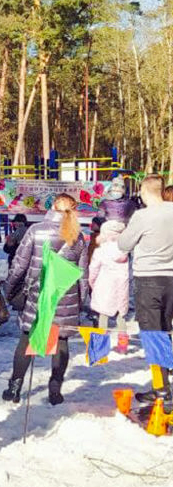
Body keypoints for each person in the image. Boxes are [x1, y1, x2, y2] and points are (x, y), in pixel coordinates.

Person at [3, 193, 88, 406]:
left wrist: (9, 288)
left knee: (28, 338)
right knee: (61, 341)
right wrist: (80, 300)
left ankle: (15, 386)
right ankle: (55, 388)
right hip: (65, 295)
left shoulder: (36, 230)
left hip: (37, 293)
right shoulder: (77, 236)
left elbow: (19, 265)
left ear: (52, 207)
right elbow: (83, 274)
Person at [118, 174, 173, 406]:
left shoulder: (142, 216)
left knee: (153, 334)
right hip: (171, 278)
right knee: (166, 331)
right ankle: (162, 385)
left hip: (149, 279)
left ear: (144, 191)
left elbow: (123, 244)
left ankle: (162, 389)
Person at [89, 220, 130, 354]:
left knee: (103, 315)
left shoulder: (100, 251)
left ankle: (101, 347)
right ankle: (123, 347)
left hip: (104, 286)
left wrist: (92, 283)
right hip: (121, 287)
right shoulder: (124, 252)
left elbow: (93, 269)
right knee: (121, 316)